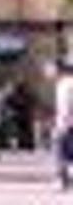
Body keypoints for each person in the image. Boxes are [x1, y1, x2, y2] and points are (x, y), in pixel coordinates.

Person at [54, 59, 73, 191]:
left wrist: (62, 125)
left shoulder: (64, 85)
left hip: (66, 123)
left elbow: (64, 106)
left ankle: (64, 180)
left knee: (62, 153)